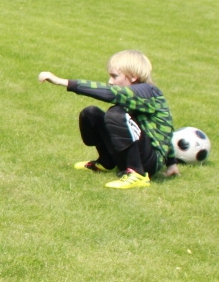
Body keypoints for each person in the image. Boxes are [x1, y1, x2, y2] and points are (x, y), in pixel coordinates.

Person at [38, 49, 177, 189]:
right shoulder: (134, 93)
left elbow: (110, 93)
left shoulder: (148, 92)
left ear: (133, 76)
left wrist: (62, 82)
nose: (110, 81)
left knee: (115, 114)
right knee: (90, 114)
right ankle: (106, 162)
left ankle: (137, 174)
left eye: (114, 76)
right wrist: (172, 164)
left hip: (148, 163)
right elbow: (166, 130)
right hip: (132, 155)